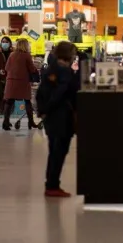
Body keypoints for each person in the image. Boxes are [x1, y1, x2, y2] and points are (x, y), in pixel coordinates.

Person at [36, 41, 80, 197]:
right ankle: (53, 185)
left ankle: (51, 184)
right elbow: (62, 93)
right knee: (59, 151)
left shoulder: (51, 70)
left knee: (54, 150)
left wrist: (42, 111)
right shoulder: (65, 73)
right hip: (62, 116)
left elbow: (40, 93)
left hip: (51, 117)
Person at [2, 38, 39, 130]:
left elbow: (6, 68)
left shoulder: (12, 54)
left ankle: (5, 122)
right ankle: (31, 122)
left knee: (9, 102)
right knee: (27, 101)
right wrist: (36, 69)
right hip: (23, 82)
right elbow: (32, 69)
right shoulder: (27, 55)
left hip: (11, 81)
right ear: (25, 45)